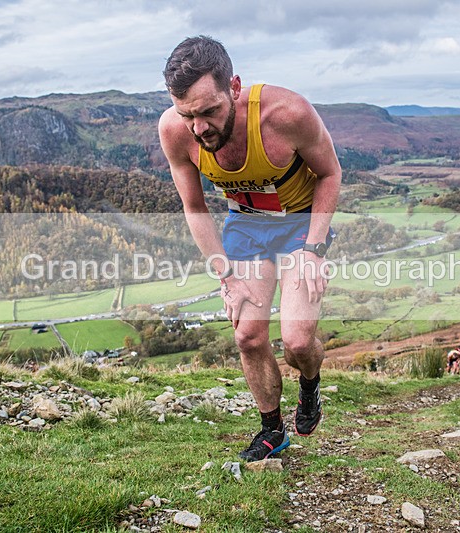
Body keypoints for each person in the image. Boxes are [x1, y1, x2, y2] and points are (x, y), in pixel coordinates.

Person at [159, 36, 341, 461]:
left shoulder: (287, 114)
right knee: (247, 334)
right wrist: (225, 275)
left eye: (209, 111)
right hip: (245, 222)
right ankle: (272, 430)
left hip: (300, 223)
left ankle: (310, 383)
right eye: (188, 115)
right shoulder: (174, 131)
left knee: (297, 341)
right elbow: (194, 206)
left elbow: (330, 174)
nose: (200, 127)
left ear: (234, 88)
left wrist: (314, 250)